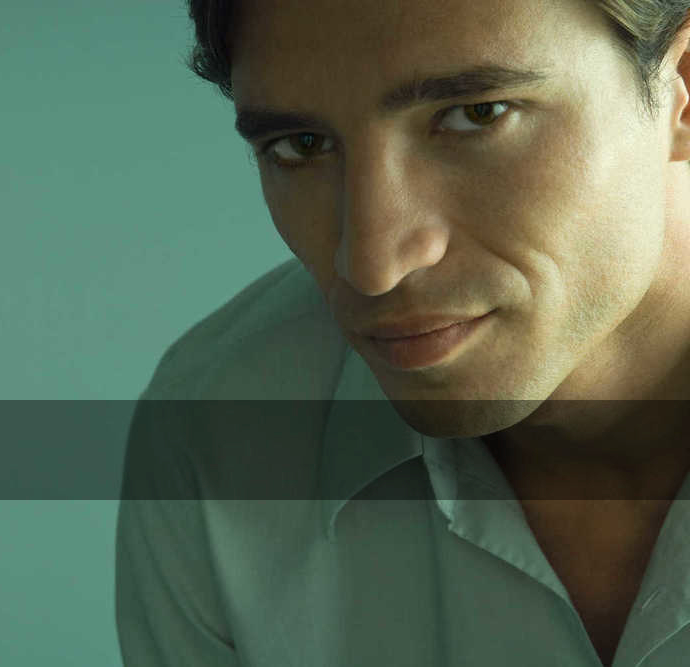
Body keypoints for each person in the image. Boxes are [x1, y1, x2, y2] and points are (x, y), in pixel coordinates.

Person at [115, 1, 690, 665]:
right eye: (302, 145)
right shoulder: (216, 427)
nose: (372, 266)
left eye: (478, 114)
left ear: (681, 87)